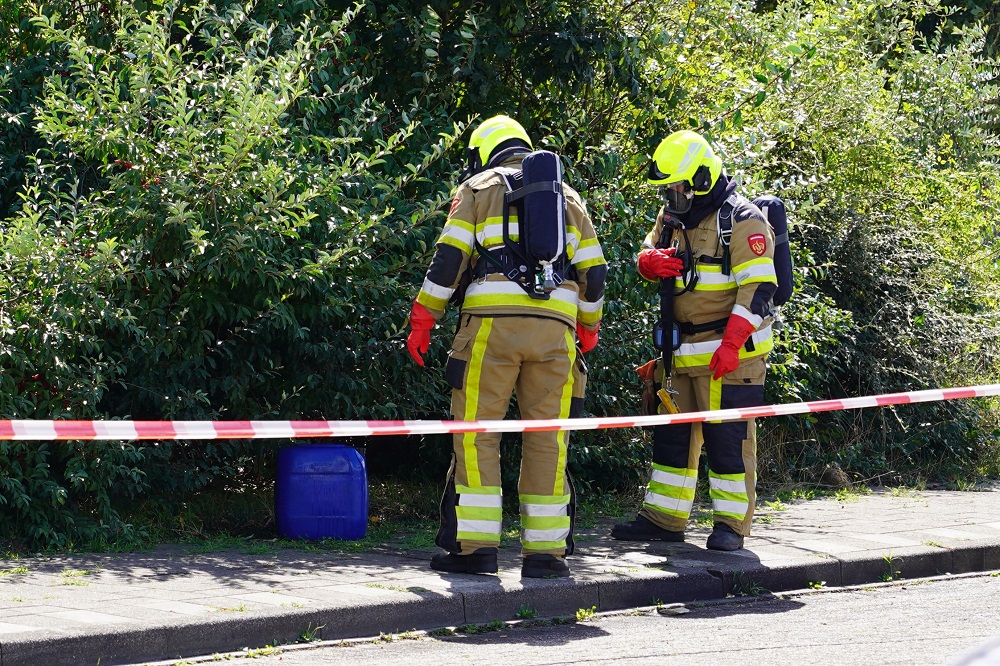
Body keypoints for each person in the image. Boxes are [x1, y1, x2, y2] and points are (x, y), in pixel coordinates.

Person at [406, 115, 608, 577]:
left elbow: (449, 260)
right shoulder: (568, 197)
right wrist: (589, 326)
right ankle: (546, 556)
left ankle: (476, 550)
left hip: (491, 332)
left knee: (478, 435)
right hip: (556, 333)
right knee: (548, 440)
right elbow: (594, 272)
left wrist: (423, 320)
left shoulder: (477, 188)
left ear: (483, 152)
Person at [611, 130, 777, 551]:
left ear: (702, 178)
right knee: (673, 437)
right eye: (669, 188)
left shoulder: (743, 221)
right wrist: (647, 261)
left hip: (729, 354)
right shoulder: (673, 217)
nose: (673, 195)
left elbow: (758, 290)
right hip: (679, 351)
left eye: (679, 187)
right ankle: (663, 519)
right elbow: (651, 247)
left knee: (728, 442)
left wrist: (732, 345)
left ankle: (730, 525)